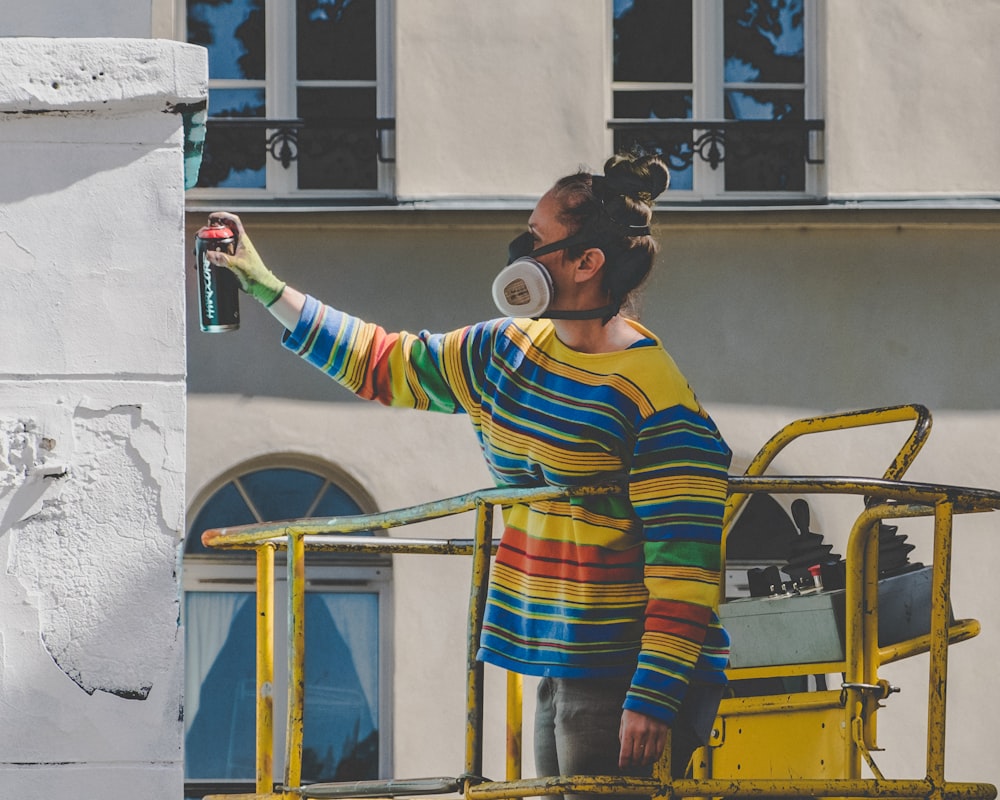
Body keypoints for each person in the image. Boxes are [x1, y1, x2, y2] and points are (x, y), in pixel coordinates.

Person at [201, 152, 732, 788]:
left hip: (626, 668)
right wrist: (263, 285)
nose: (520, 252)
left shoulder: (652, 391)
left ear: (587, 263)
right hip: (557, 654)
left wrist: (653, 697)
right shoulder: (506, 349)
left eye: (536, 240)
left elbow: (688, 562)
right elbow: (385, 363)